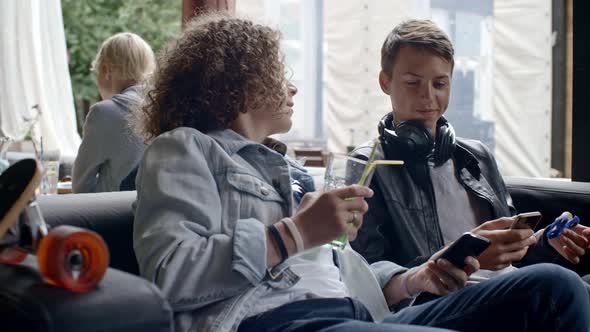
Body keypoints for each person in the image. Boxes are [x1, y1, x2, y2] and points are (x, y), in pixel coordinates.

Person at [132, 14, 589, 332]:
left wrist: (421, 275)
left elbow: (350, 272)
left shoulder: (297, 175)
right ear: (235, 85)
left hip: (359, 313)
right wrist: (291, 234)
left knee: (558, 286)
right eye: (277, 73)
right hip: (279, 320)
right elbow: (170, 274)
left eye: (440, 82)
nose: (291, 86)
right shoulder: (184, 149)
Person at [351, 19, 590, 285]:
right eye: (412, 83)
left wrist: (546, 242)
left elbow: (510, 256)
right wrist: (465, 260)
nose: (428, 96)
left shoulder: (477, 156)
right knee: (562, 284)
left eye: (440, 84)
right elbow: (367, 275)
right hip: (441, 301)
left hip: (507, 285)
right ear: (385, 82)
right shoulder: (367, 165)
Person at [72, 32, 155, 193]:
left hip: (119, 213)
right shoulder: (164, 106)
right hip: (158, 210)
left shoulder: (103, 113)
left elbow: (80, 186)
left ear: (106, 70)